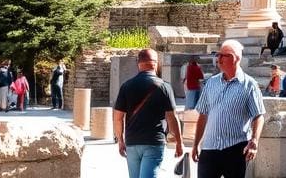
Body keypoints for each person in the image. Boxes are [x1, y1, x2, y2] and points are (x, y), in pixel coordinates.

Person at [192, 39, 265, 178]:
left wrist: (254, 140)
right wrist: (195, 144)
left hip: (236, 148)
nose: (218, 59)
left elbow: (258, 115)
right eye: (218, 54)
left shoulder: (249, 85)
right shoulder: (211, 82)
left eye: (223, 55)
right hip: (209, 147)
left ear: (235, 58)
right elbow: (203, 114)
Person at [113, 48, 183, 178]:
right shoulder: (164, 87)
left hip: (132, 142)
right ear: (156, 64)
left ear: (138, 63)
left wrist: (120, 140)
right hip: (154, 141)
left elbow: (117, 118)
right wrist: (179, 142)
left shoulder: (126, 86)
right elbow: (172, 118)